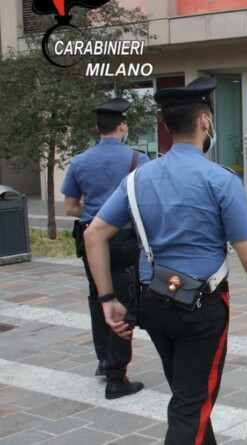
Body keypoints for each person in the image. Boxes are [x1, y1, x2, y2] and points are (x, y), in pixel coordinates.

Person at [84, 76, 247, 445]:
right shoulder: (221, 180)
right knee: (190, 406)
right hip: (203, 307)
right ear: (205, 122)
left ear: (166, 126)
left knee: (188, 397)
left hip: (154, 303)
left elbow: (93, 234)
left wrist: (107, 299)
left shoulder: (136, 179)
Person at [61, 97, 147, 399]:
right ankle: (116, 377)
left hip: (87, 237)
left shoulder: (80, 161)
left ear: (98, 129)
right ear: (122, 126)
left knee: (99, 296)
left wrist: (96, 216)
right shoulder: (138, 159)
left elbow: (70, 206)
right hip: (123, 239)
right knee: (122, 300)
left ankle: (102, 360)